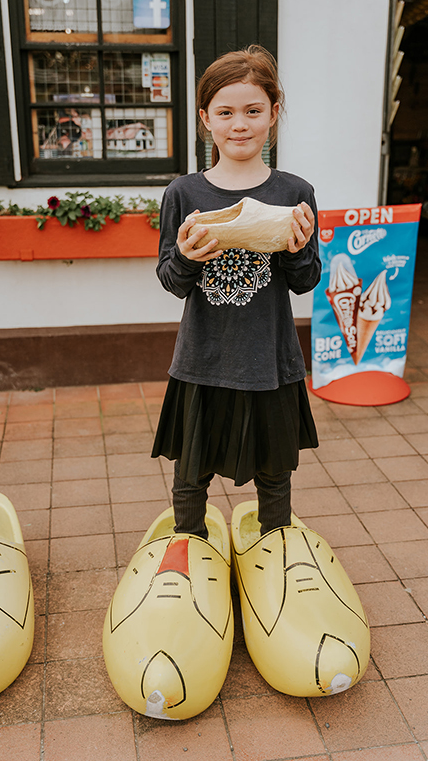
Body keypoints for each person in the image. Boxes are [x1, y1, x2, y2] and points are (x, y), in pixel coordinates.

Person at [151, 44, 321, 539]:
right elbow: (171, 280)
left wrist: (295, 247)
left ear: (273, 113)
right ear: (206, 119)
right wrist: (186, 257)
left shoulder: (295, 193)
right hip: (203, 358)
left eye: (253, 111)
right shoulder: (184, 194)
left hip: (269, 359)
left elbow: (306, 280)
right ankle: (189, 545)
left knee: (275, 474)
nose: (239, 124)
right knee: (190, 473)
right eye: (225, 112)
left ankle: (275, 549)